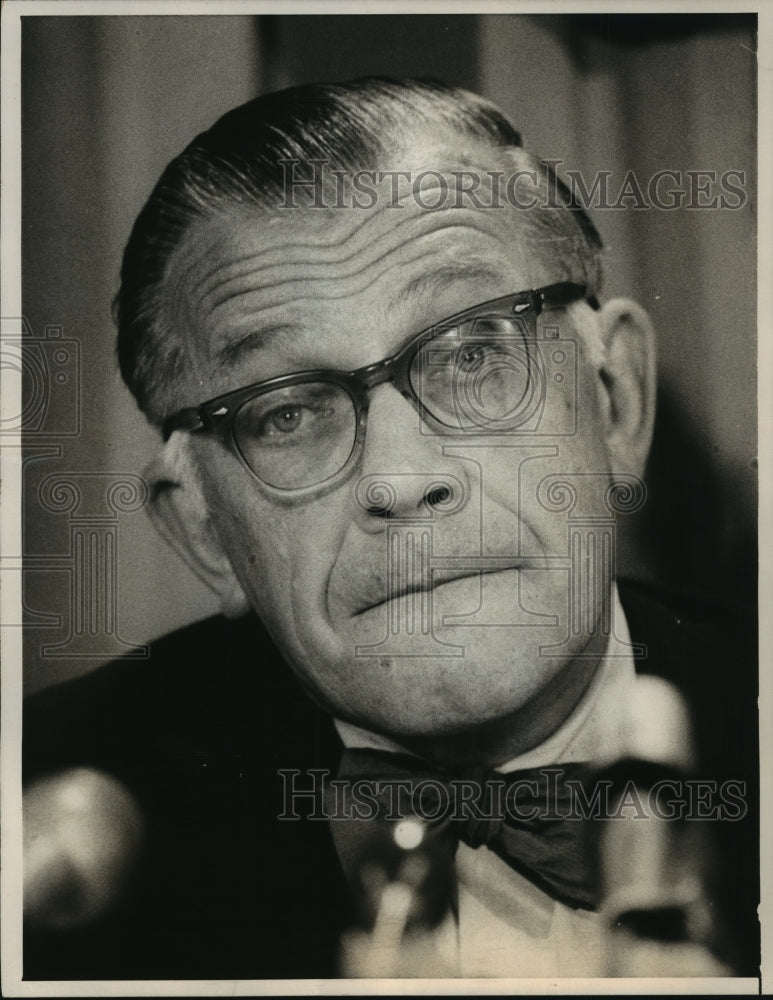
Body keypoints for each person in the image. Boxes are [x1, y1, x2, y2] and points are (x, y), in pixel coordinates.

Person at [22, 78, 758, 980]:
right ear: (205, 530)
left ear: (614, 401)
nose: (402, 481)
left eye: (475, 353)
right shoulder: (44, 817)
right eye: (285, 412)